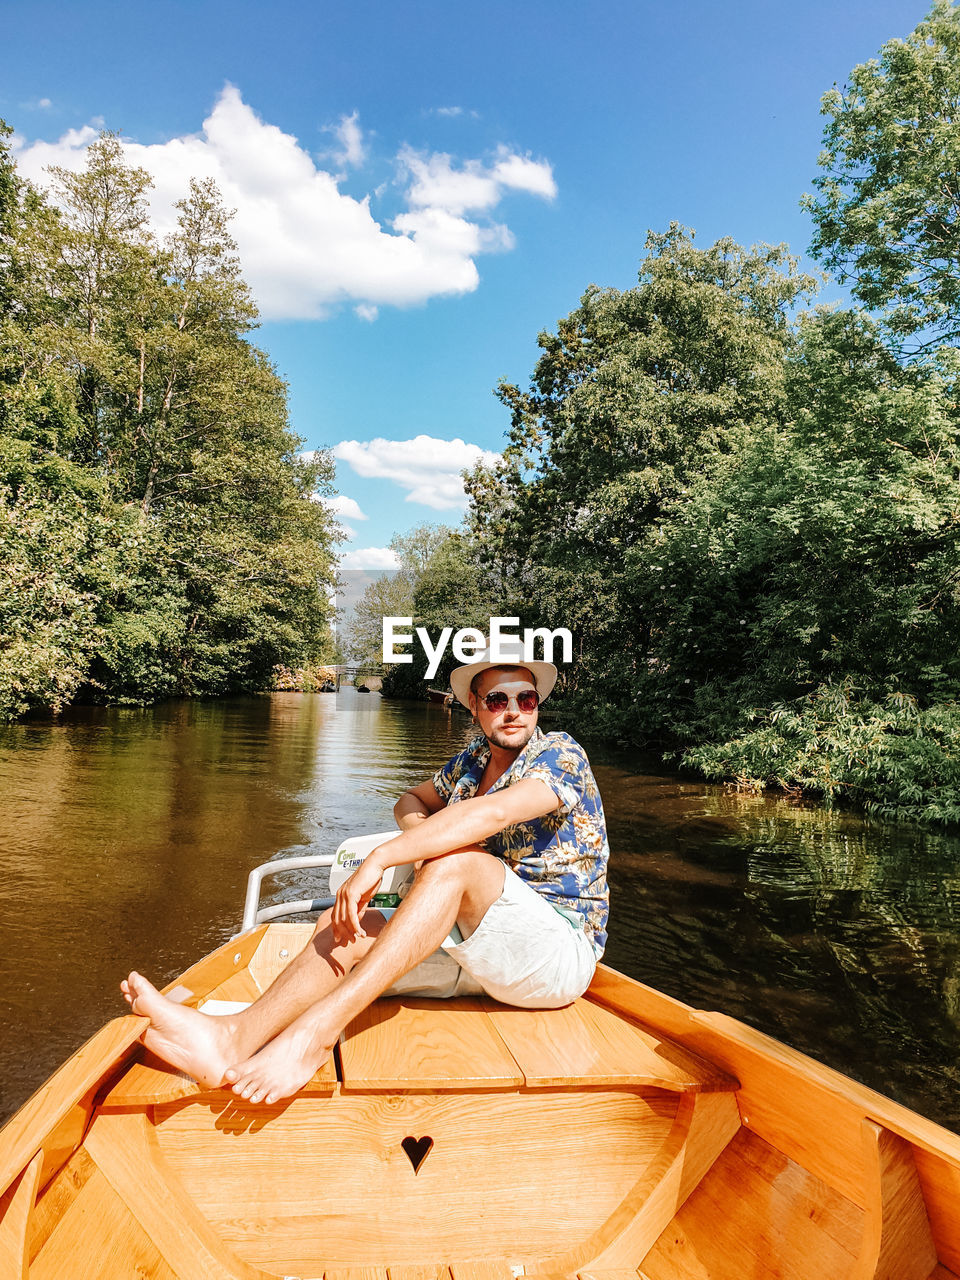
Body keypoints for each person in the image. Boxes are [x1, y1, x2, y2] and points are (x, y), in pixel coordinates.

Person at [121, 644, 609, 1105]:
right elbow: (410, 800)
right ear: (475, 708)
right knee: (340, 931)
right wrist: (426, 834)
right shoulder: (470, 763)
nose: (514, 710)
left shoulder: (560, 755)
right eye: (498, 699)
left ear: (537, 704)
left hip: (557, 957)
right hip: (489, 953)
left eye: (526, 698)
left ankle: (315, 1035)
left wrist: (384, 858)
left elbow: (492, 815)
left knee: (456, 862)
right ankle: (230, 1040)